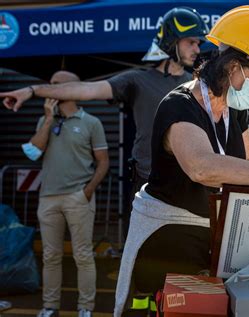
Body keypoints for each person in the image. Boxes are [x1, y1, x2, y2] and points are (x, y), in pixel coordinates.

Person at [113, 5, 249, 317]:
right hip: (164, 239)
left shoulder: (236, 111)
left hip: (209, 236)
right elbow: (202, 167)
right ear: (233, 66)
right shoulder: (179, 105)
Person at [0, 7, 225, 239]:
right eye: (191, 42)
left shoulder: (196, 85)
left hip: (188, 182)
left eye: (198, 44)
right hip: (147, 183)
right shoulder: (137, 80)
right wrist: (32, 90)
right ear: (171, 42)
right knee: (144, 255)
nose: (197, 50)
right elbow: (85, 89)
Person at [22, 71, 109, 317]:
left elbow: (103, 162)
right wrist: (48, 119)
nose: (50, 89)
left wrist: (88, 191)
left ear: (72, 88)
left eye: (55, 85)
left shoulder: (91, 122)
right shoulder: (45, 120)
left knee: (83, 255)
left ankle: (86, 307)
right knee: (50, 256)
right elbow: (33, 152)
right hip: (48, 197)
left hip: (78, 197)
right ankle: (50, 306)